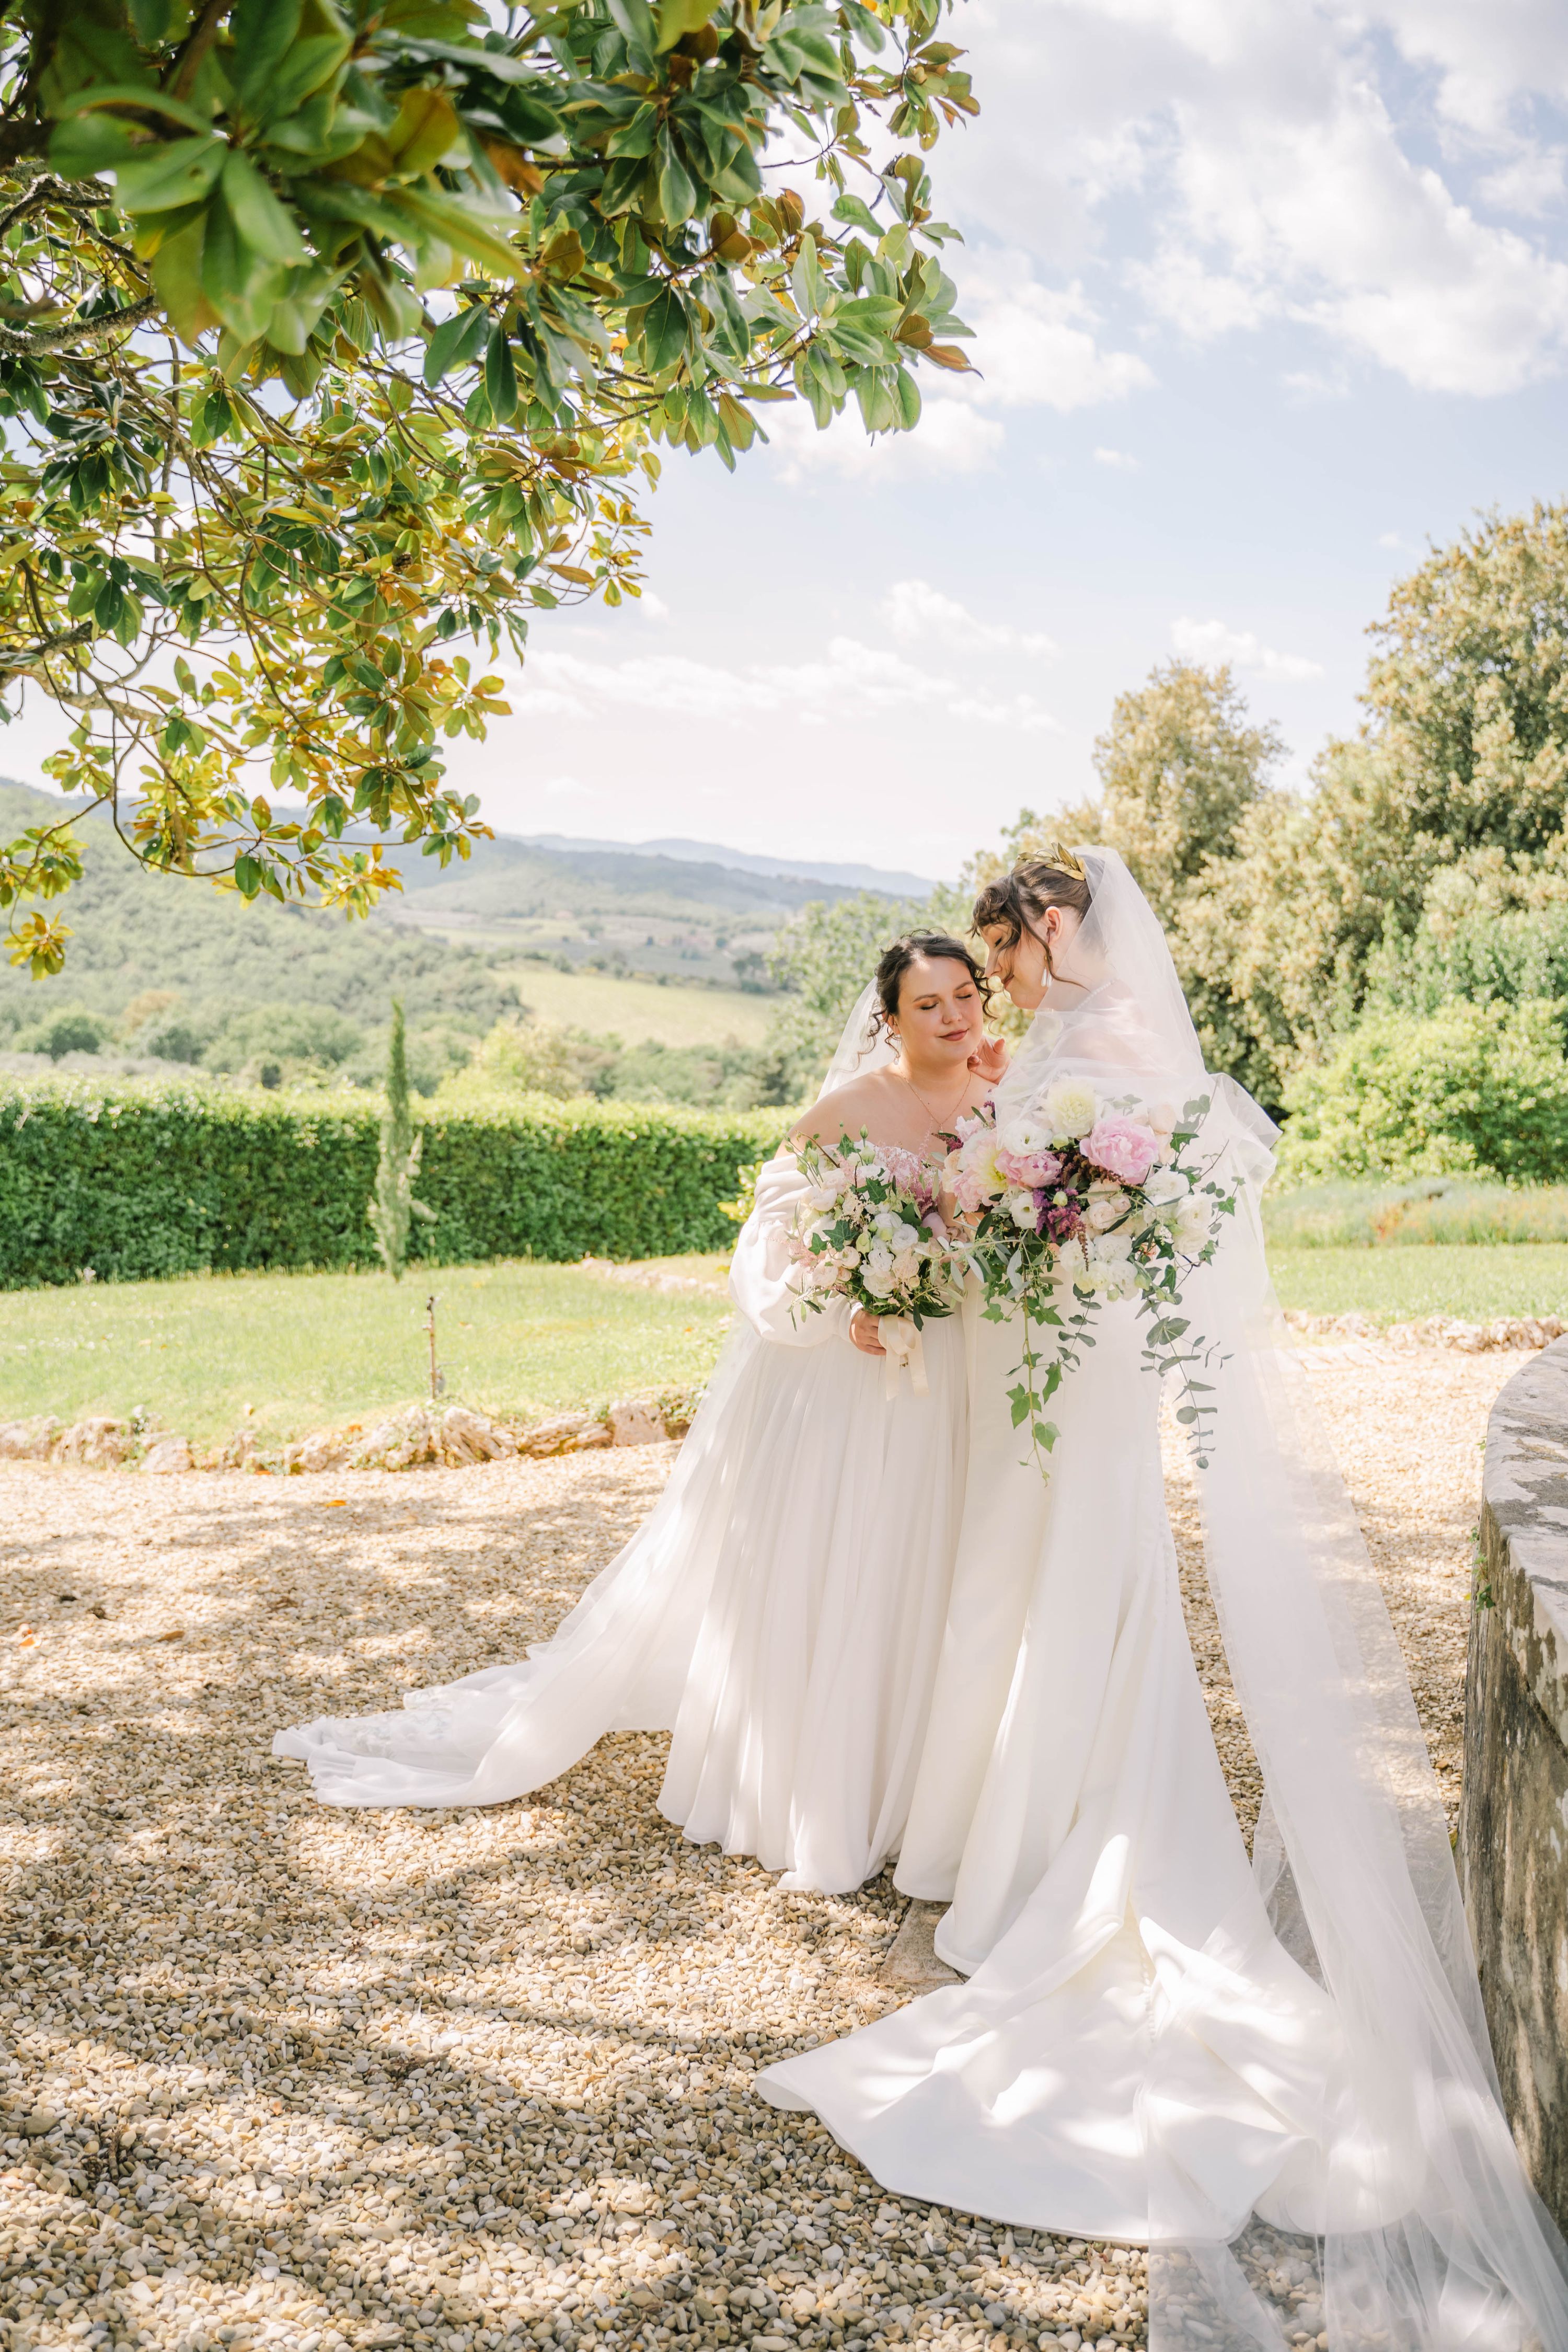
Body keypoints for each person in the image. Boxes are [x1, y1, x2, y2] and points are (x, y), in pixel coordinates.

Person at [759, 850, 1568, 2352]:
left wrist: (1045, 1217)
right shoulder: (1068, 1041)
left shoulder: (1117, 1042)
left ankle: (1050, 1834)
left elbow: (1165, 1201)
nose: (991, 981)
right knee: (1007, 1579)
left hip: (1085, 1359)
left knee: (1069, 1572)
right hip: (1033, 1349)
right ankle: (973, 1816)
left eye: (999, 949)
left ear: (1043, 928)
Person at [274, 933, 1005, 1897]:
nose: (955, 1017)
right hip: (852, 1380)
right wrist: (841, 1309)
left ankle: (935, 1791)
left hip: (959, 1368)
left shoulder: (1006, 1101)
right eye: (929, 1004)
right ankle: (827, 1790)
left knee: (941, 1563)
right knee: (857, 1562)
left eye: (967, 995)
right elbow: (768, 1244)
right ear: (890, 1019)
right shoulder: (846, 1110)